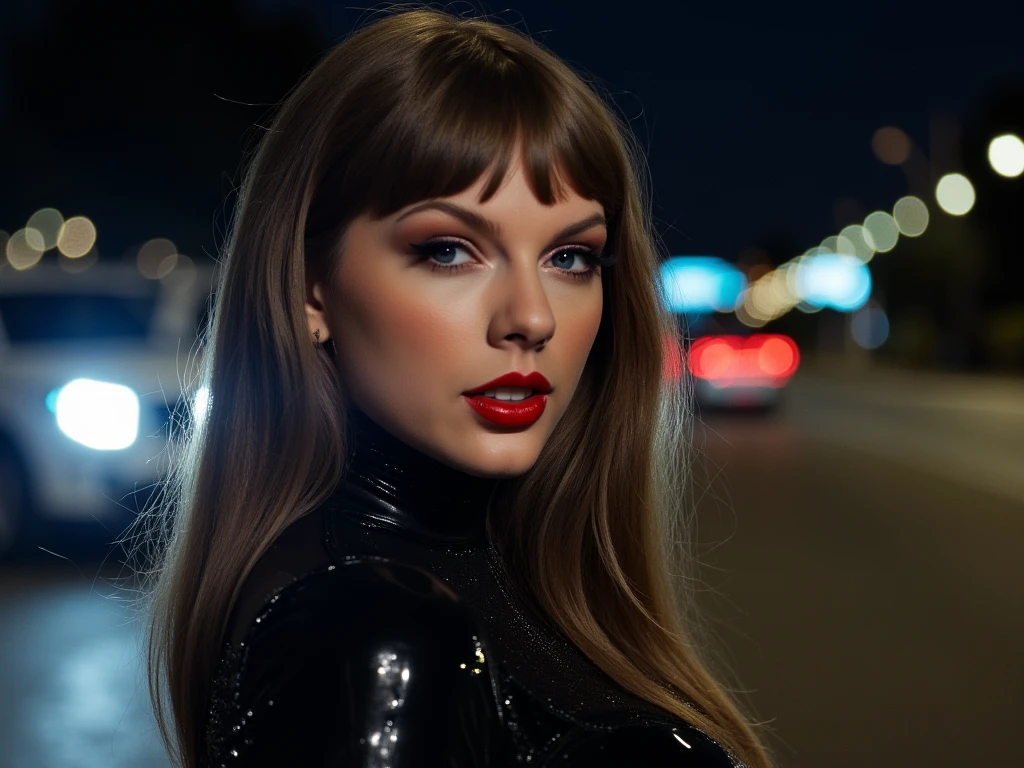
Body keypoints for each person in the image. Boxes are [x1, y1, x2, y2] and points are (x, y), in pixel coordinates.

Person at [145, 8, 774, 767]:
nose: (532, 318)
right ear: (313, 289)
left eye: (571, 258)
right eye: (448, 250)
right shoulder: (372, 637)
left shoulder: (521, 584)